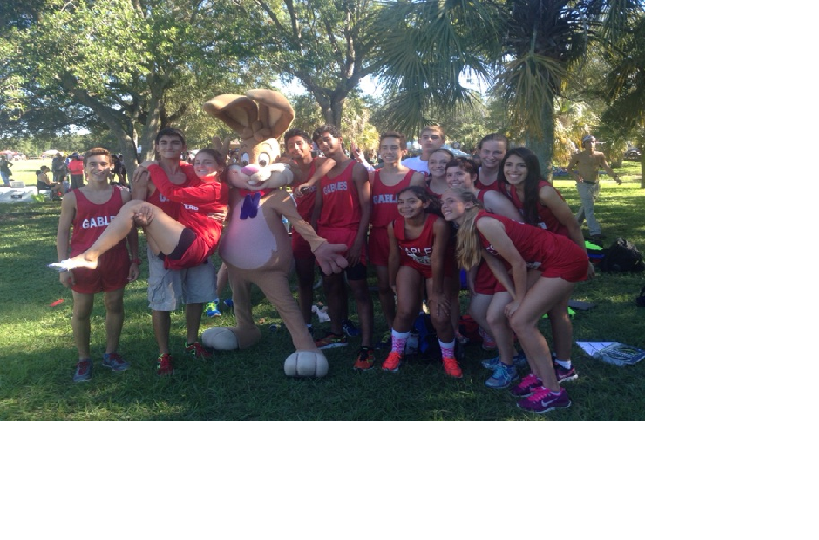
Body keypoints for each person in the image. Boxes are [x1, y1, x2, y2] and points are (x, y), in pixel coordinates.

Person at [441, 188, 589, 413]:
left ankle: (554, 391)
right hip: (544, 262)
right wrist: (512, 294)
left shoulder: (484, 223)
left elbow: (518, 263)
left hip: (564, 259)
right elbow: (497, 265)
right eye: (442, 202)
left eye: (451, 201)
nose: (445, 205)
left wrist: (519, 299)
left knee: (521, 321)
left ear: (470, 204)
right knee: (515, 318)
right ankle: (538, 376)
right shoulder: (469, 228)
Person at [494, 147, 593, 386]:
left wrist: (585, 259)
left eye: (520, 166)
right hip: (541, 256)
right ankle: (541, 364)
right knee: (524, 309)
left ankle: (564, 365)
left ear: (531, 169)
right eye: (509, 165)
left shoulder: (544, 192)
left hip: (564, 254)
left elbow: (573, 226)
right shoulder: (509, 190)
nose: (513, 170)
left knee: (557, 311)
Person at [134, 128, 222, 373]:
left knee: (196, 295)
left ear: (183, 146)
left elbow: (213, 189)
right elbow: (137, 211)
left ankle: (192, 342)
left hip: (195, 243)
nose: (169, 146)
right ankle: (164, 353)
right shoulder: (146, 175)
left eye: (175, 142)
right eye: (163, 142)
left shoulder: (192, 171)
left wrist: (219, 213)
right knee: (162, 301)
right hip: (162, 247)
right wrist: (150, 238)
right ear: (157, 147)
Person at [55, 148, 140, 382]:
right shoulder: (73, 197)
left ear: (111, 166)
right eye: (93, 164)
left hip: (116, 259)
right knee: (82, 310)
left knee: (114, 305)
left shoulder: (122, 195)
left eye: (103, 164)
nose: (98, 168)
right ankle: (84, 359)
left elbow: (131, 230)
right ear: (85, 168)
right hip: (82, 262)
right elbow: (62, 233)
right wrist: (64, 266)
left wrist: (135, 259)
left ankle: (111, 353)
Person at [445, 156, 523, 362]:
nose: (454, 178)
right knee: (477, 311)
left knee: (496, 314)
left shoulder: (489, 198)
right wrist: (471, 275)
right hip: (488, 263)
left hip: (512, 261)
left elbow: (521, 231)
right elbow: (476, 247)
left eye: (459, 174)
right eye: (449, 175)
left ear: (473, 177)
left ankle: (518, 351)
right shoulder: (454, 203)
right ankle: (511, 352)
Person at [311, 124, 376, 370]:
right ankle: (336, 332)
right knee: (331, 284)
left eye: (328, 140)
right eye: (320, 142)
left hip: (351, 233)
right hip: (326, 236)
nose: (324, 145)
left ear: (339, 139)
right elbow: (318, 206)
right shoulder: (321, 172)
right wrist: (315, 238)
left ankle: (367, 345)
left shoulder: (356, 169)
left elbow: (367, 206)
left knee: (358, 288)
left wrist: (360, 240)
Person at [384, 186, 461, 376]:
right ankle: (396, 353)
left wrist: (436, 292)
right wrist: (392, 281)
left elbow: (438, 259)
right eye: (400, 202)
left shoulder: (438, 224)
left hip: (437, 269)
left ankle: (449, 358)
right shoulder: (394, 226)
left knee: (439, 317)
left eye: (411, 201)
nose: (405, 206)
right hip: (412, 266)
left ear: (425, 203)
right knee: (405, 310)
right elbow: (394, 257)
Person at [281, 127, 346, 335]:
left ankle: (341, 321)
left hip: (324, 227)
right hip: (301, 230)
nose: (296, 148)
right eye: (291, 145)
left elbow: (331, 162)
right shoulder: (289, 170)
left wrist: (309, 183)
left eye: (299, 143)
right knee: (304, 278)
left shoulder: (319, 162)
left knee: (332, 279)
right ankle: (306, 323)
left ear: (310, 146)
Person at [368, 131, 425, 340]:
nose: (389, 151)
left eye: (394, 147)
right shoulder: (372, 176)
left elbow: (422, 208)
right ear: (380, 151)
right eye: (385, 147)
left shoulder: (415, 177)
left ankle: (416, 323)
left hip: (407, 236)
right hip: (380, 235)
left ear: (403, 151)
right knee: (384, 285)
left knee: (411, 284)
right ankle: (393, 327)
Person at [567, 134, 622, 245]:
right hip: (583, 185)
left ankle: (572, 227)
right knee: (589, 209)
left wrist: (615, 177)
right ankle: (595, 232)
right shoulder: (578, 156)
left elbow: (606, 167)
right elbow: (569, 168)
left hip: (595, 185)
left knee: (585, 209)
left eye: (593, 141)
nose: (591, 144)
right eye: (588, 142)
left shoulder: (599, 155)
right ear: (584, 144)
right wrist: (575, 175)